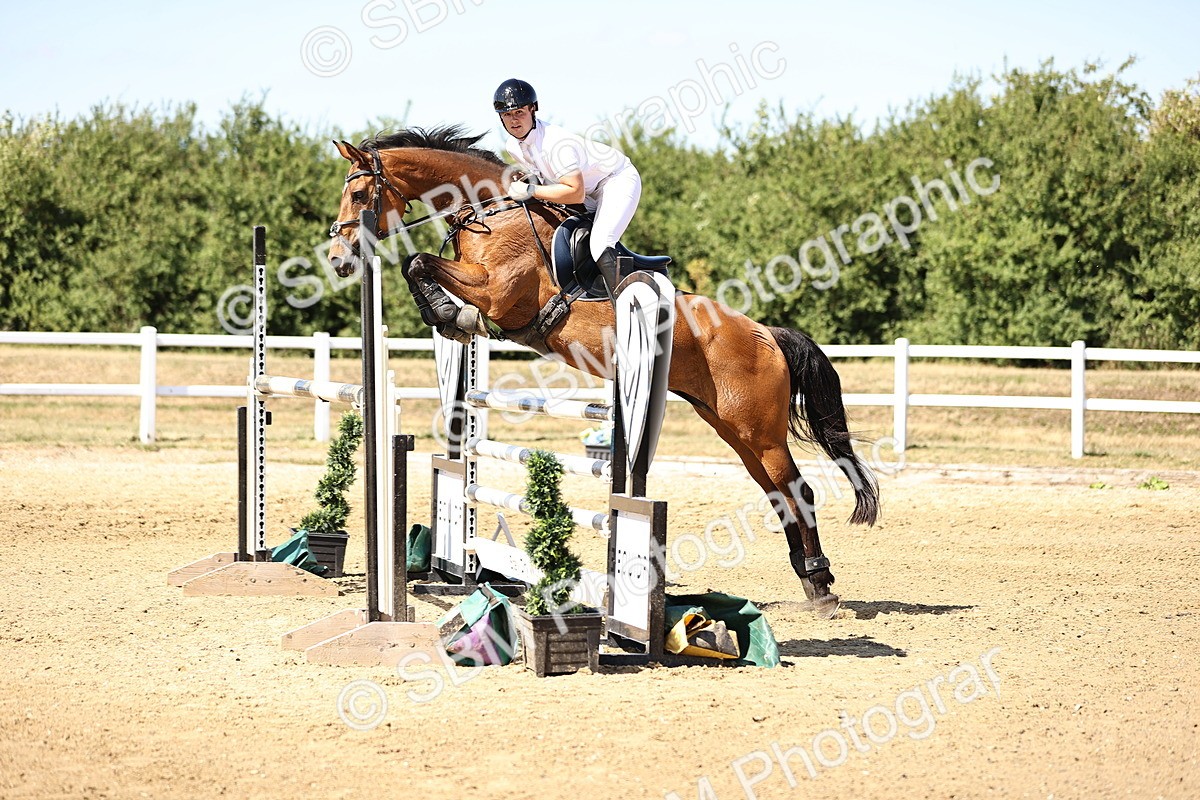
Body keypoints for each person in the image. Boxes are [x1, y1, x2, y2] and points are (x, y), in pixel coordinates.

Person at [493, 78, 641, 297]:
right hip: (587, 191)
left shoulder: (555, 144)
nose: (513, 121)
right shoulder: (513, 146)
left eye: (519, 113)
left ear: (533, 109)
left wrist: (531, 191)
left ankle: (630, 305)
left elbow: (574, 192)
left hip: (615, 180)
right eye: (507, 115)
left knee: (601, 242)